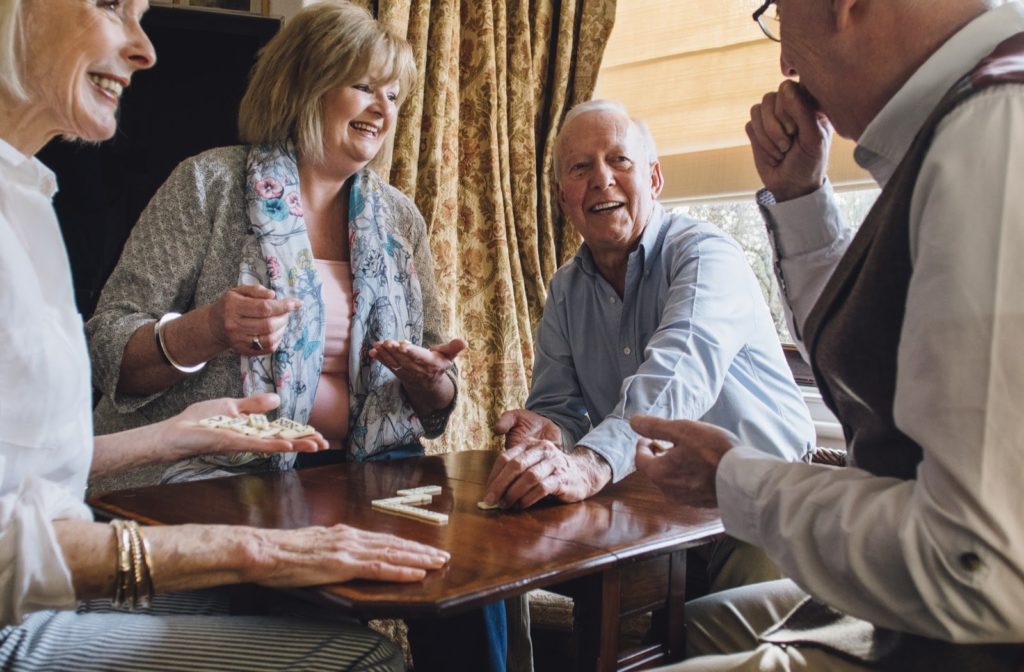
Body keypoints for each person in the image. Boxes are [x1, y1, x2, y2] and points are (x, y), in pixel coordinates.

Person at [0, 1, 451, 669]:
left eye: (394, 94)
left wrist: (433, 383)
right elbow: (109, 352)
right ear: (305, 82)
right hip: (212, 488)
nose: (383, 109)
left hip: (360, 485)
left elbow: (439, 397)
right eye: (363, 86)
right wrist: (202, 332)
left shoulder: (399, 219)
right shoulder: (208, 184)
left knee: (456, 589)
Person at [633, 1, 1024, 670]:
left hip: (974, 637)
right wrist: (799, 197)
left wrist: (737, 481)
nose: (784, 60)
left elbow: (975, 565)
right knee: (698, 626)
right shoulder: (969, 121)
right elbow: (875, 365)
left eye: (778, 12)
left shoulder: (994, 130)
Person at [485, 99, 816, 671]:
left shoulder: (706, 254)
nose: (601, 179)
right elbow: (559, 406)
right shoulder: (566, 290)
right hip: (652, 515)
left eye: (619, 160)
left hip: (755, 504)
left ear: (656, 178)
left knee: (703, 651)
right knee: (502, 564)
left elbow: (676, 378)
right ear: (564, 196)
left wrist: (589, 463)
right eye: (579, 167)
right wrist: (546, 433)